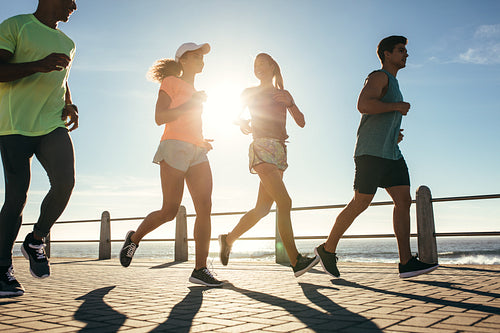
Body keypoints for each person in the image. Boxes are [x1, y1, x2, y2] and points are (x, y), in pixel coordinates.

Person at [314, 36, 439, 279]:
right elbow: (363, 104)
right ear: (386, 54)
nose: (406, 54)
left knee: (403, 201)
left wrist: (394, 133)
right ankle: (327, 249)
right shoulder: (379, 76)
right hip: (370, 153)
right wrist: (396, 107)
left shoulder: (394, 82)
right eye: (401, 50)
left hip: (391, 153)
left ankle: (406, 262)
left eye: (406, 51)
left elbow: (379, 115)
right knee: (360, 202)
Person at [119, 42, 223, 287]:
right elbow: (160, 117)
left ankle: (200, 269)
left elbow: (190, 122)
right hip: (173, 148)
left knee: (205, 206)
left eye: (202, 56)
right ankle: (134, 238)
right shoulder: (171, 82)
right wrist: (192, 102)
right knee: (170, 210)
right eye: (196, 55)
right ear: (183, 60)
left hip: (196, 150)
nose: (201, 59)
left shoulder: (196, 89)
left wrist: (201, 140)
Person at [0, 0, 78, 297]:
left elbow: (62, 78)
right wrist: (37, 65)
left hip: (50, 123)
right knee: (17, 198)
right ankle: (2, 268)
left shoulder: (68, 42)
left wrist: (69, 102)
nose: (74, 5)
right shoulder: (16, 25)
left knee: (65, 184)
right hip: (13, 125)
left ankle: (36, 240)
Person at [218, 53, 319, 277]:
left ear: (274, 67)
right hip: (261, 148)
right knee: (285, 201)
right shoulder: (248, 92)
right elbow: (233, 115)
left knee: (262, 209)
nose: (259, 67)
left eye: (263, 64)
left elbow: (301, 122)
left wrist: (290, 103)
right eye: (255, 65)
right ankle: (296, 260)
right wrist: (242, 121)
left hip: (280, 152)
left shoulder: (283, 94)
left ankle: (228, 239)